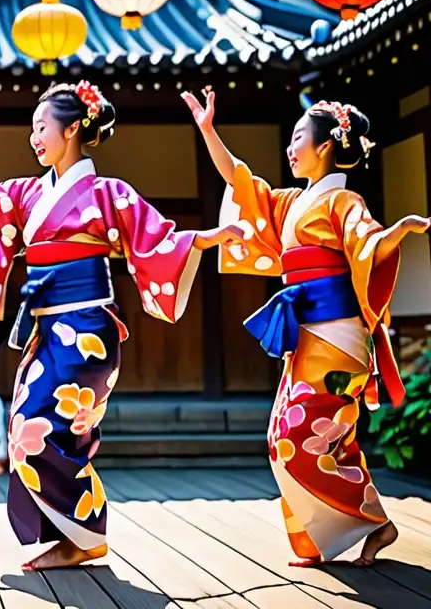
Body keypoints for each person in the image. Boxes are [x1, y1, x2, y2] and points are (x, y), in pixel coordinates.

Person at [0, 81, 243, 572]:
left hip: (88, 331)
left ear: (72, 128)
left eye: (41, 127)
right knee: (29, 432)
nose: (33, 137)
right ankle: (82, 535)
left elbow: (156, 237)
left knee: (39, 430)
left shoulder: (106, 192)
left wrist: (206, 237)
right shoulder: (29, 193)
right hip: (47, 332)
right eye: (32, 128)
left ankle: (84, 538)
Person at [184, 87, 429, 568]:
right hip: (307, 341)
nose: (290, 147)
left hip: (338, 339)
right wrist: (209, 131)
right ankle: (342, 530)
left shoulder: (343, 202)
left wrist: (393, 233)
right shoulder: (293, 202)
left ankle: (373, 522)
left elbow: (367, 241)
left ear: (326, 146)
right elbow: (241, 182)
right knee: (290, 438)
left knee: (301, 439)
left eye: (299, 137)